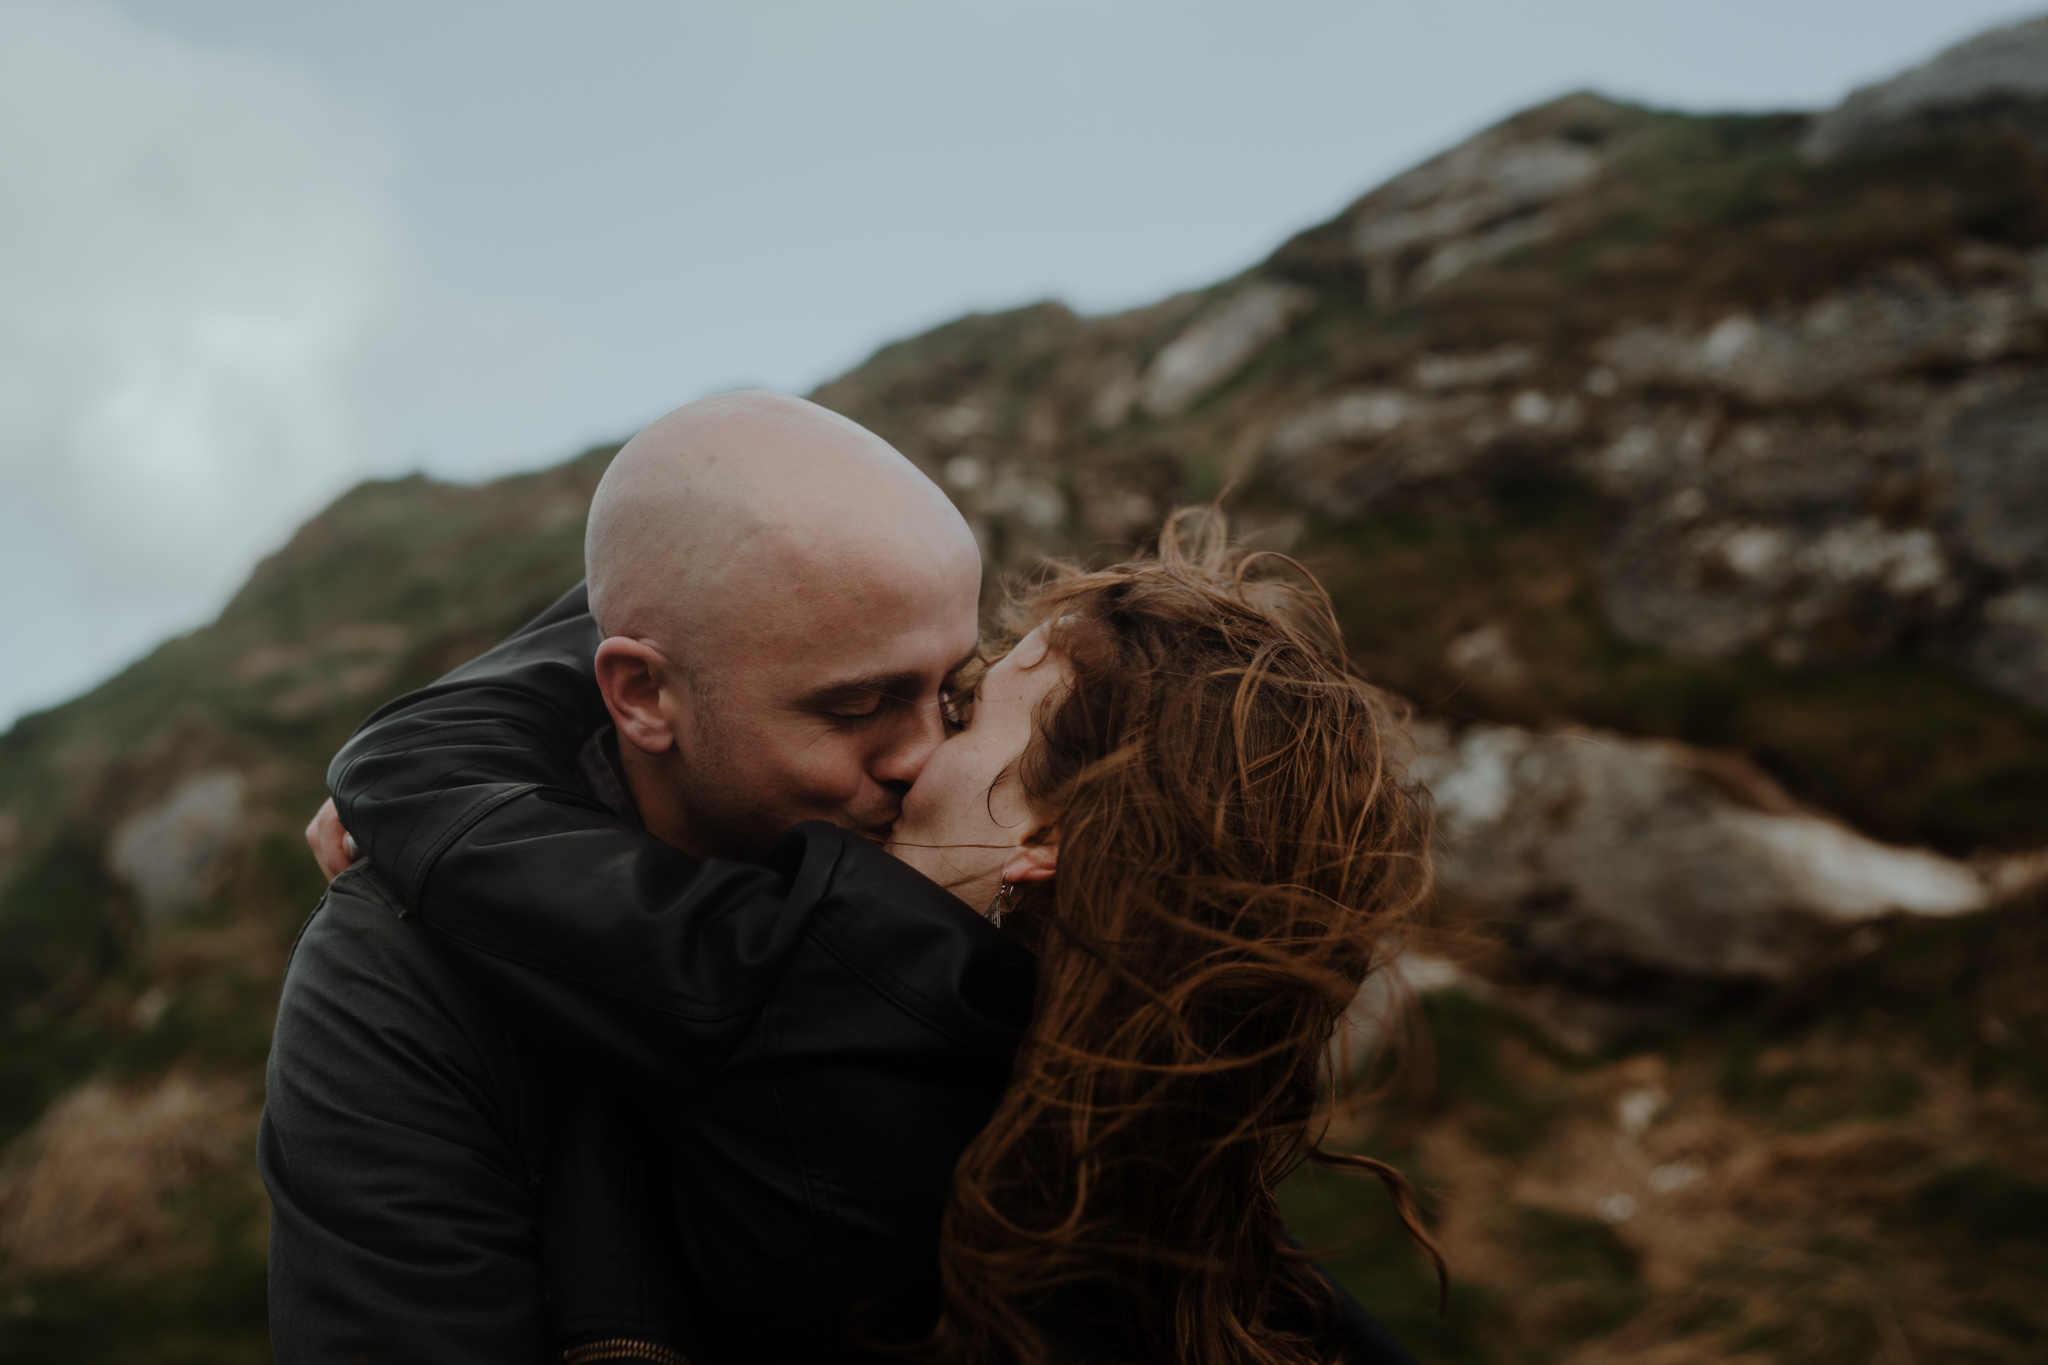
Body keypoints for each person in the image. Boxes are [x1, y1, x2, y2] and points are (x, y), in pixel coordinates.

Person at [316, 511, 1439, 1365]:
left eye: (963, 708)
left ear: (1044, 838)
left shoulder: (815, 978)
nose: (912, 749)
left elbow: (415, 769)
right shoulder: (1151, 1117)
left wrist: (733, 560)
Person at [261, 390, 985, 1363]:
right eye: (857, 705)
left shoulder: (993, 853)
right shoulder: (399, 972)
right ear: (643, 695)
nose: (926, 754)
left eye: (953, 690)